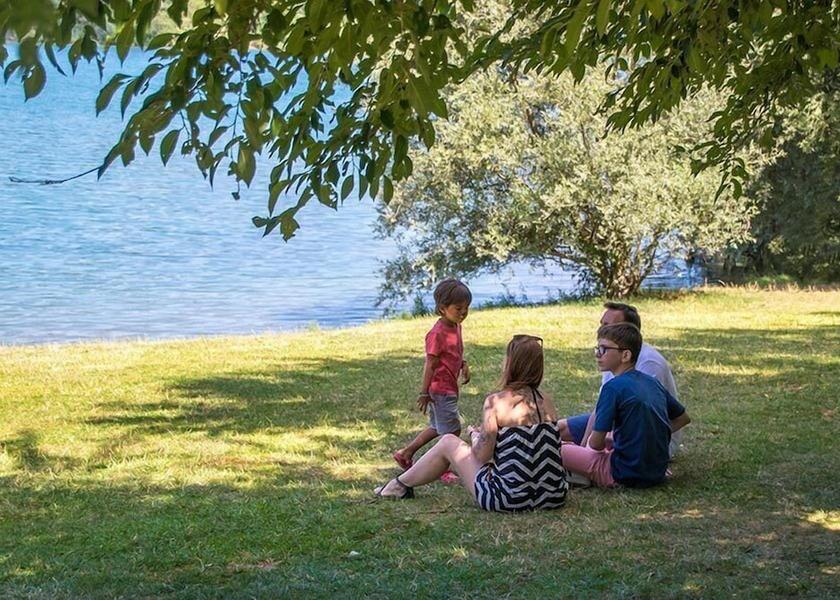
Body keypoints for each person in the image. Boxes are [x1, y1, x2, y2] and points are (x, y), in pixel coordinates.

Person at [376, 335, 569, 512]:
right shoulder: (547, 401)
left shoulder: (496, 402)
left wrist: (475, 435)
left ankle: (399, 485)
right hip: (554, 496)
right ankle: (401, 484)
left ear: (510, 364)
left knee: (448, 442)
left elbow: (482, 455)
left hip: (508, 498)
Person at [561, 323, 691, 488]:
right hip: (656, 472)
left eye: (603, 349)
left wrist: (603, 443)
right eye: (597, 349)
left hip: (621, 474)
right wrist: (654, 435)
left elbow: (595, 444)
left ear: (625, 355)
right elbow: (683, 418)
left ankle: (581, 476)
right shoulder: (652, 382)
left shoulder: (613, 388)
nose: (597, 354)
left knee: (555, 448)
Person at [558, 301, 684, 457]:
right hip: (618, 423)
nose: (601, 329)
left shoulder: (648, 362)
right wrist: (584, 445)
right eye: (601, 324)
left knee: (565, 452)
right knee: (559, 429)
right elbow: (599, 410)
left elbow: (650, 417)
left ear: (627, 330)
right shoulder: (612, 358)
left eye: (607, 325)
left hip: (644, 445)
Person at [392, 279, 471, 484]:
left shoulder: (455, 326)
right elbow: (431, 364)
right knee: (452, 431)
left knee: (438, 427)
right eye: (458, 308)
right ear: (442, 308)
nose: (463, 313)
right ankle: (441, 467)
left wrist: (462, 364)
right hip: (441, 388)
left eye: (466, 308)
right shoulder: (436, 334)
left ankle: (405, 453)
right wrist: (424, 392)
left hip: (449, 385)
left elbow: (454, 352)